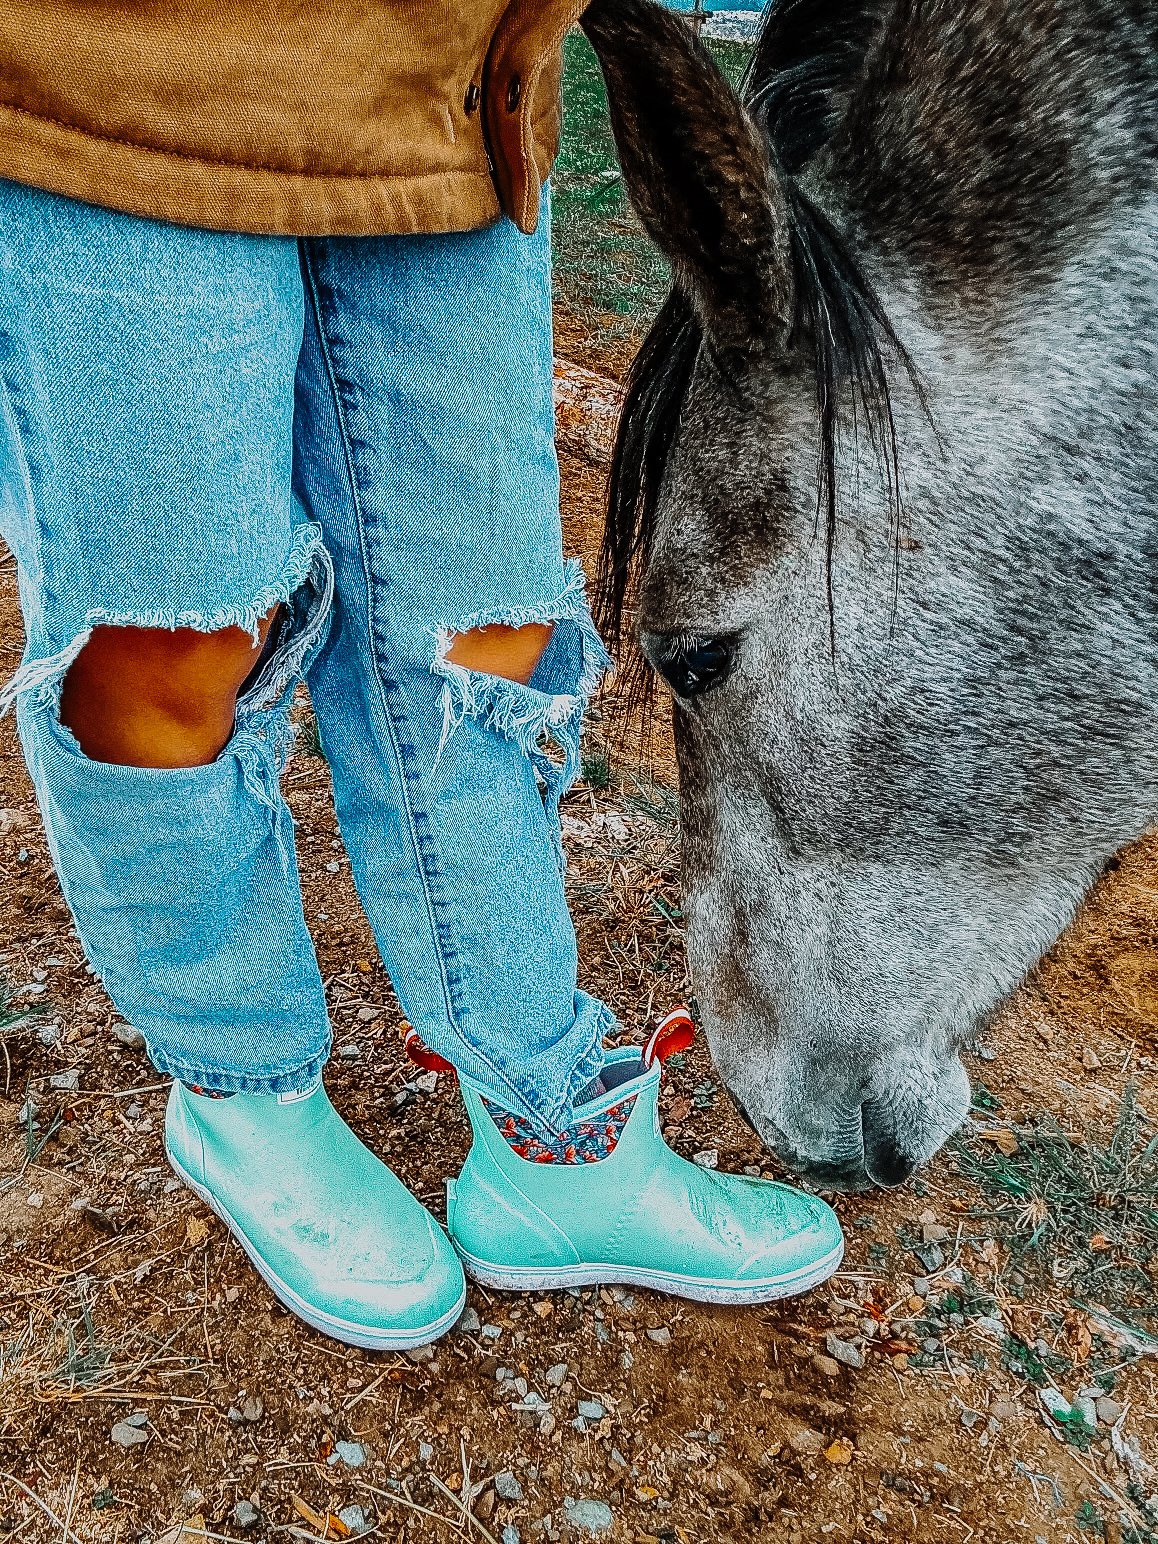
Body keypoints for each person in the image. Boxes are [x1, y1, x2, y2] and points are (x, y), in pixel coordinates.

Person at [0, 0, 843, 1350]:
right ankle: (241, 1088)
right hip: (107, 95)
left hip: (443, 97)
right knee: (171, 646)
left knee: (482, 649)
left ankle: (546, 1137)